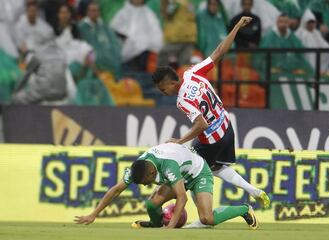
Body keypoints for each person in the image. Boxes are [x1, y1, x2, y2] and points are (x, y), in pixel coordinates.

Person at [151, 16, 269, 228]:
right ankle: (252, 190)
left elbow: (201, 125)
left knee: (190, 172)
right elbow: (219, 52)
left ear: (169, 83)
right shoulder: (193, 72)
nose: (164, 93)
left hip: (210, 140)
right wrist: (236, 28)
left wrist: (180, 141)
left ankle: (196, 220)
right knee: (215, 167)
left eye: (162, 89)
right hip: (226, 128)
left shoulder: (182, 100)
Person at [74, 143, 258, 229]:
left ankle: (244, 209)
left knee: (207, 219)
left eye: (146, 182)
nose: (146, 186)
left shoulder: (167, 166)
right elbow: (115, 190)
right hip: (179, 173)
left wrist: (170, 229)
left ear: (152, 174)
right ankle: (155, 225)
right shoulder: (138, 167)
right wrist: (93, 214)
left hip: (198, 172)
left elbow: (182, 197)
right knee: (151, 204)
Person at [110, 0, 163, 71]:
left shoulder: (148, 13)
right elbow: (114, 28)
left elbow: (155, 31)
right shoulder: (123, 13)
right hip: (127, 50)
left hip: (146, 51)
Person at [78, 2, 122, 79]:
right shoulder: (82, 27)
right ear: (87, 12)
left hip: (108, 58)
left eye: (96, 10)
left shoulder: (104, 25)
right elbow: (83, 48)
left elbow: (113, 42)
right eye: (92, 10)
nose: (94, 13)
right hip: (91, 58)